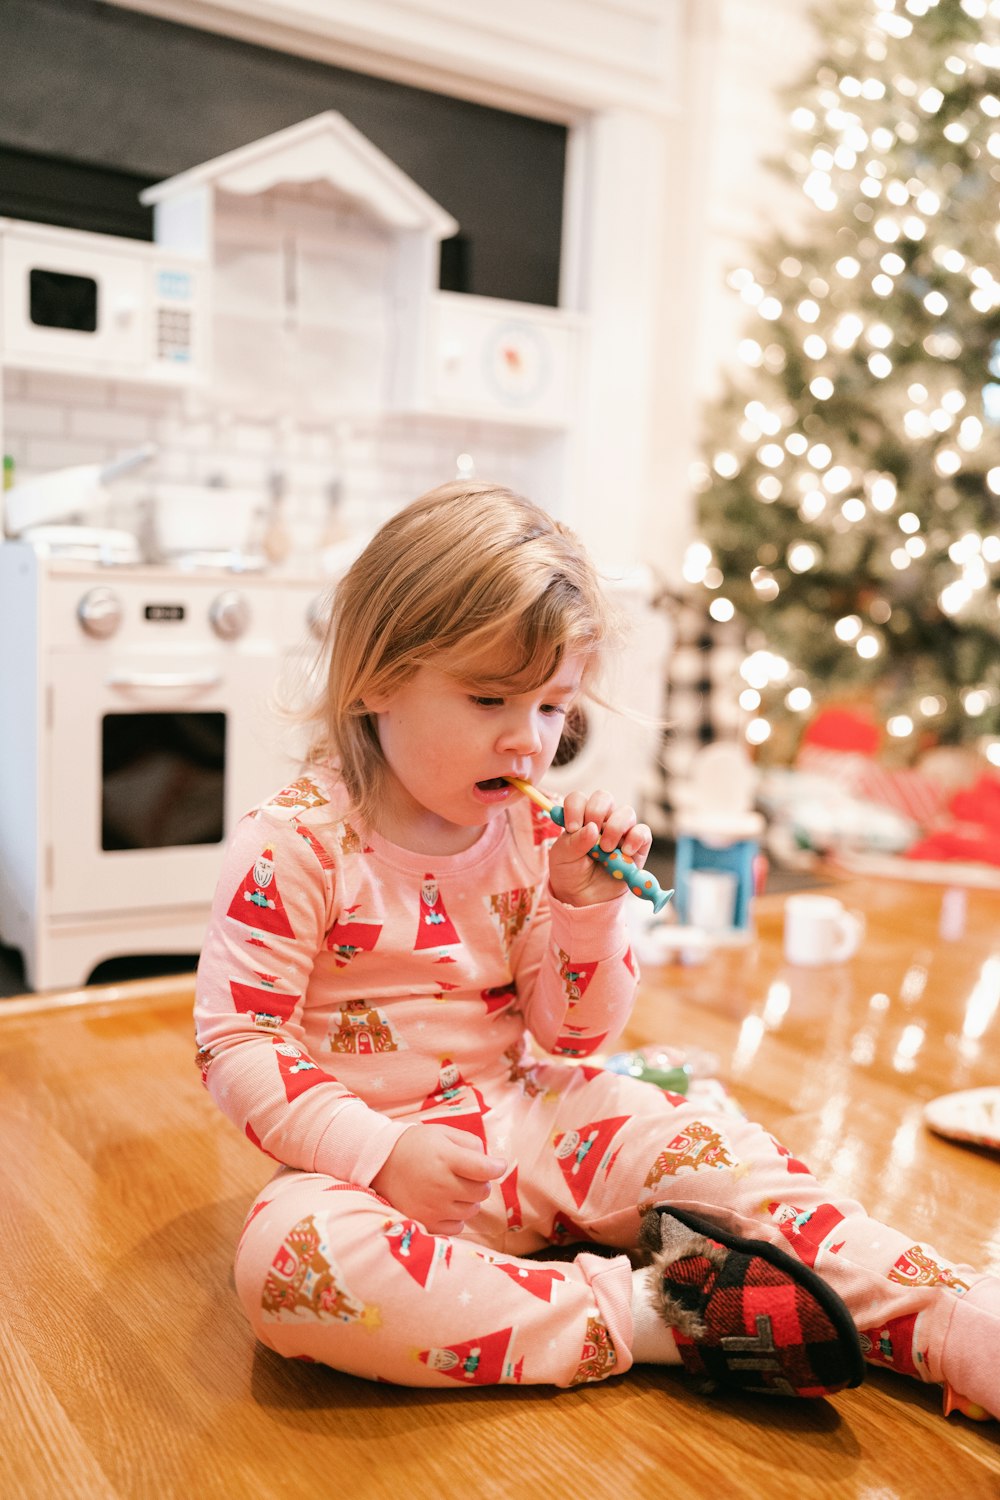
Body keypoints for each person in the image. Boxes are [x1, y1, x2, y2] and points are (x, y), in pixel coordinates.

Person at [194, 480, 998, 1416]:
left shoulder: (529, 833)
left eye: (550, 708)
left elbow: (573, 1040)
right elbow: (238, 1044)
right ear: (375, 679)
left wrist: (585, 908)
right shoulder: (291, 843)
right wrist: (378, 1155)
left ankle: (946, 1322)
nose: (527, 743)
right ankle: (662, 1314)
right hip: (370, 1172)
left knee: (724, 1154)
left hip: (530, 1116)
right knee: (293, 1272)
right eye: (491, 697)